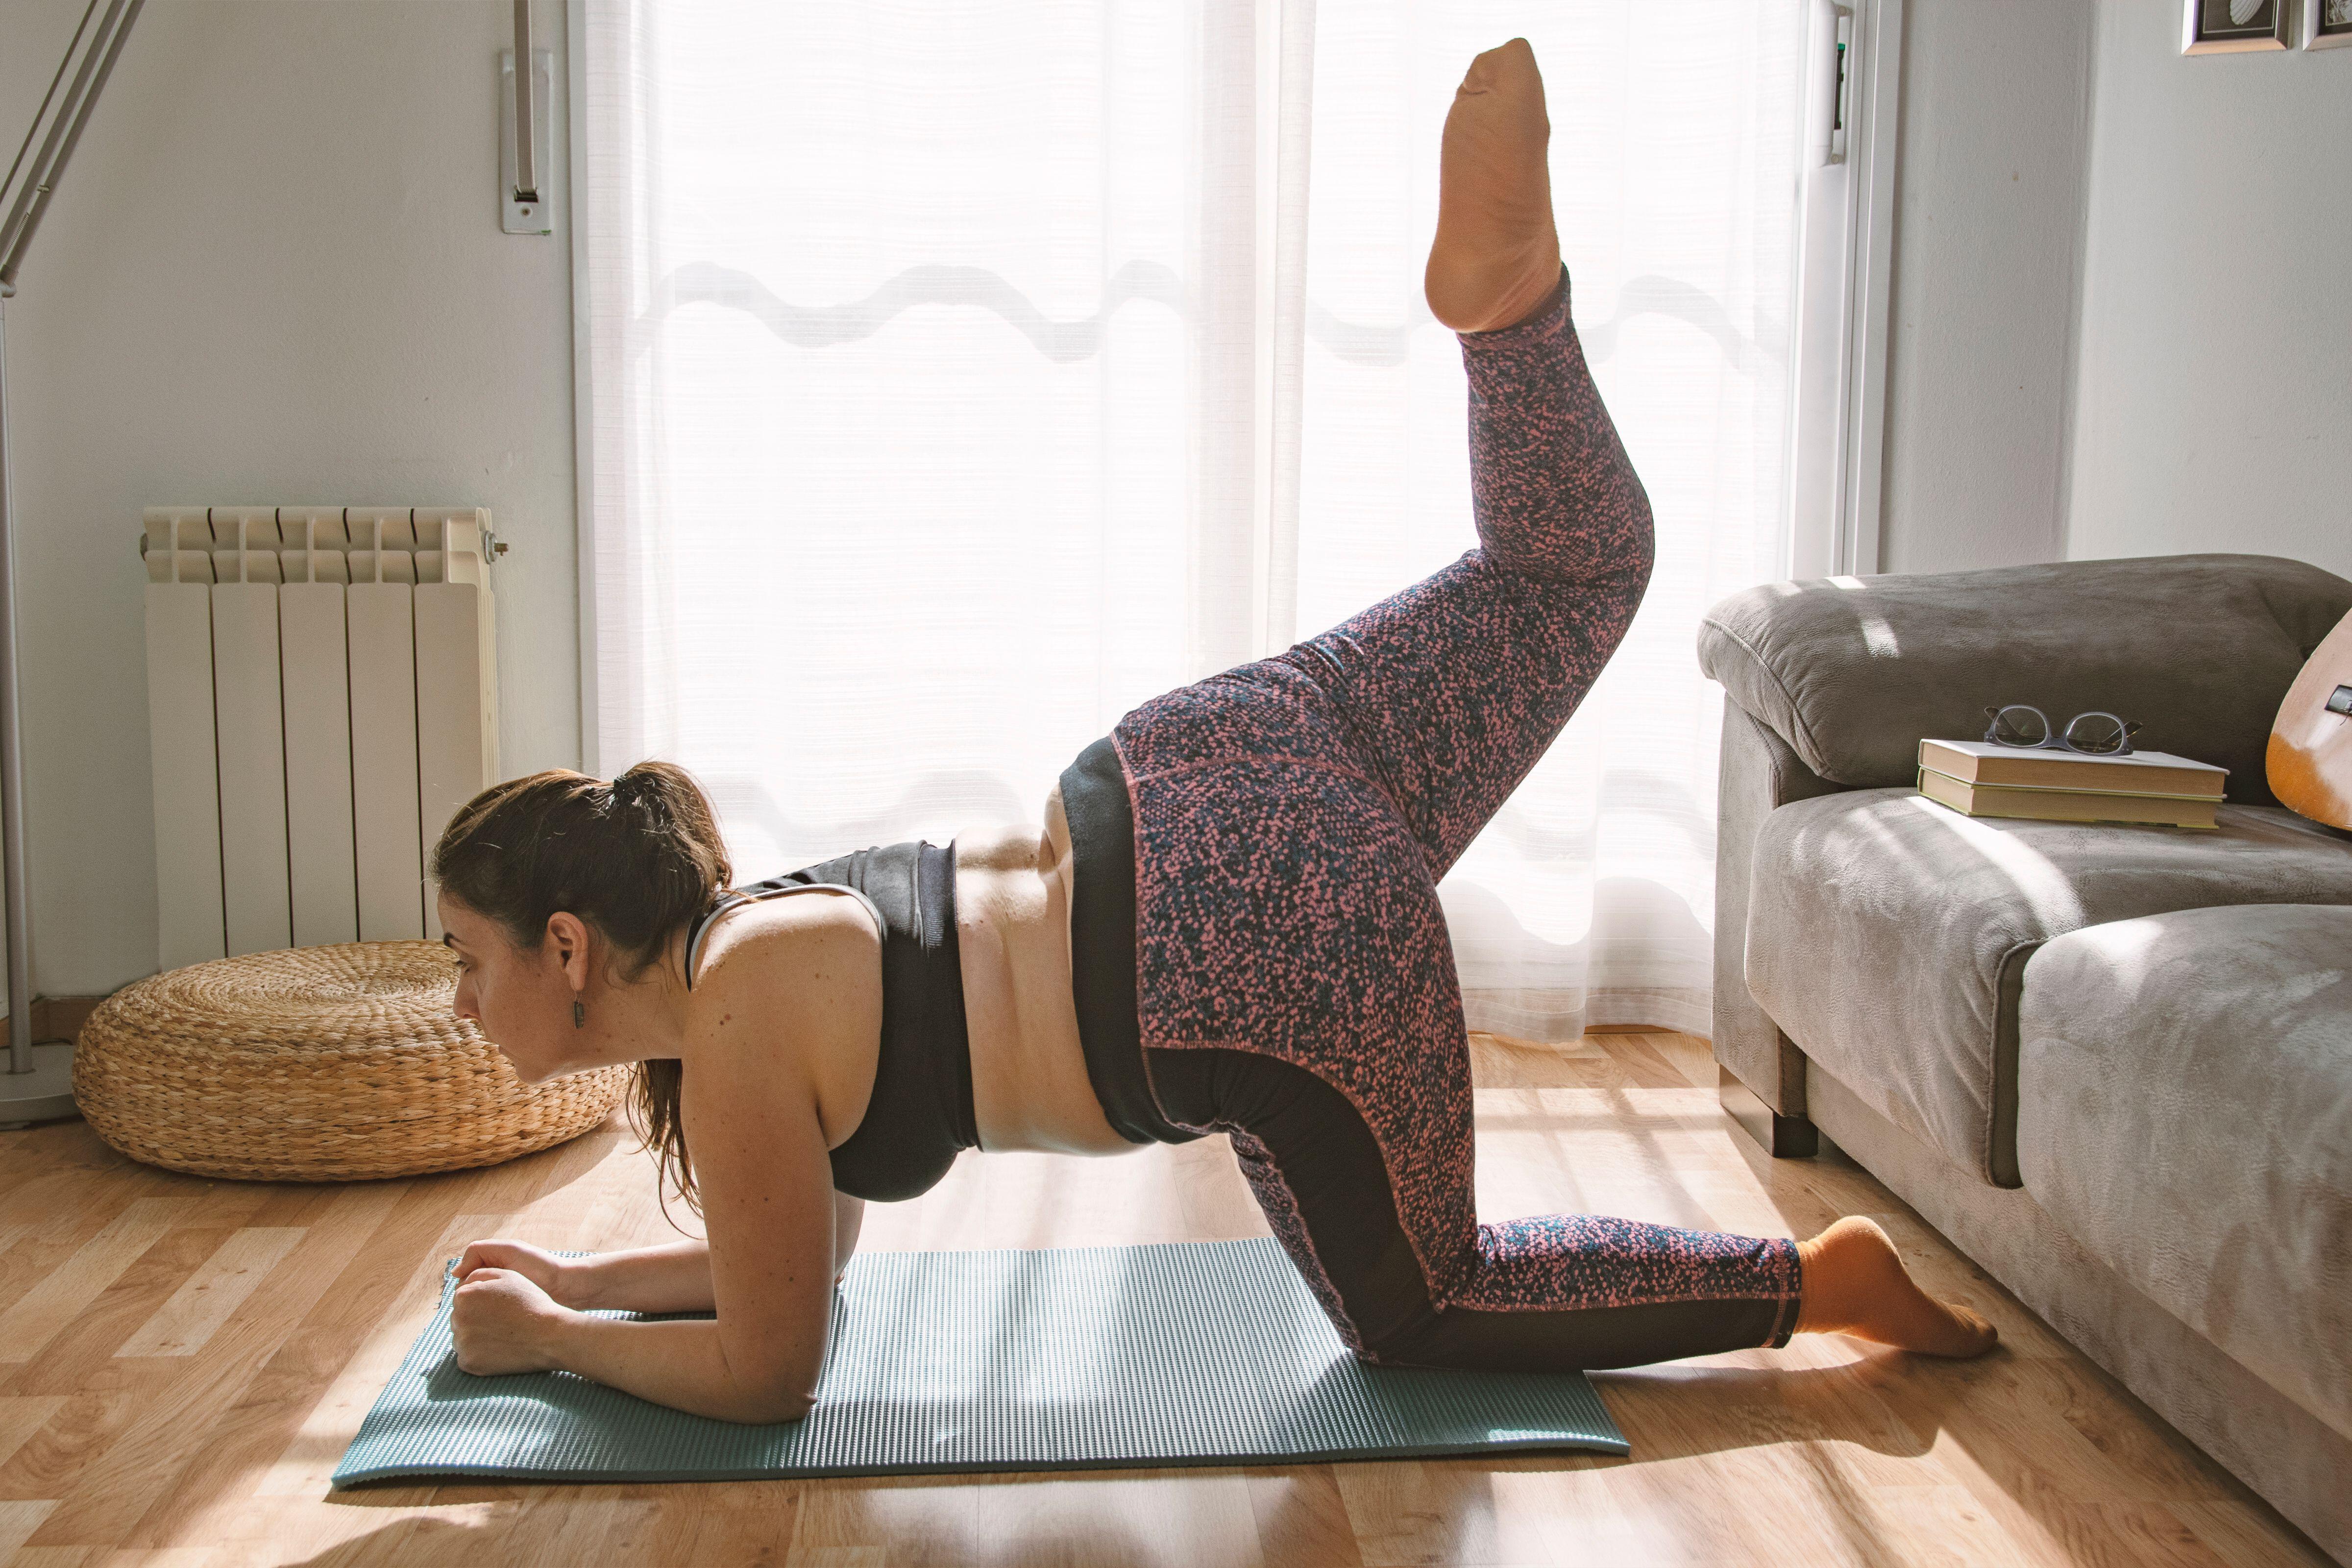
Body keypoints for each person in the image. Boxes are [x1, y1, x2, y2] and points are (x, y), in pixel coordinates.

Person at [434, 39, 1996, 1425]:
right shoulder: (751, 950)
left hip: (1228, 956)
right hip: (1207, 763)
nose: (455, 997)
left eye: (467, 957)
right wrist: (579, 1287)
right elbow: (780, 1260)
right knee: (1568, 575)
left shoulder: (730, 1043)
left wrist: (554, 1342)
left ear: (565, 946)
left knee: (1428, 1306)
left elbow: (774, 1372)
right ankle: (1512, 318)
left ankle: (1816, 1285)